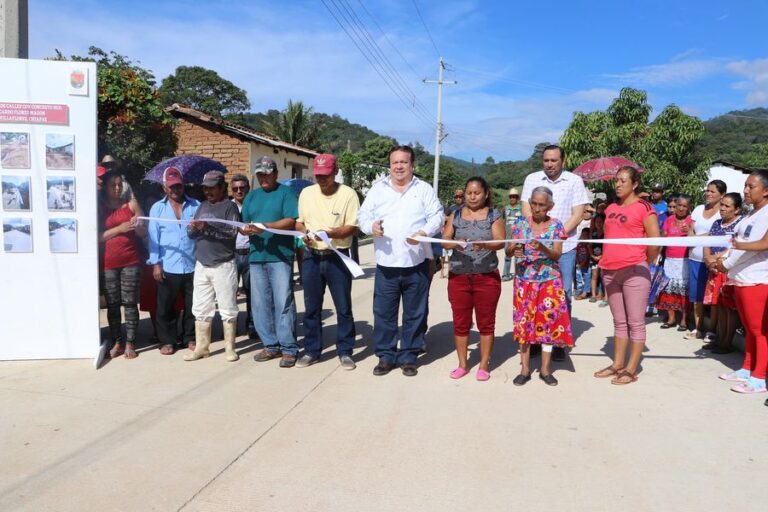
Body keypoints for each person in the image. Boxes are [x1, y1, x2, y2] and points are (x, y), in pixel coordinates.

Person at [358, 145, 444, 377]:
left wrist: (424, 232)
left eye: (403, 162)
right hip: (386, 264)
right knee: (384, 313)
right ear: (390, 165)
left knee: (414, 313)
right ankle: (386, 356)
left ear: (412, 165)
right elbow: (363, 216)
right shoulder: (378, 190)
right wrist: (370, 226)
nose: (398, 166)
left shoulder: (423, 189)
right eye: (395, 162)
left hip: (415, 263)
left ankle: (408, 356)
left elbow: (438, 215)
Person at [521, 145, 589, 361]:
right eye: (546, 160)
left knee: (562, 295)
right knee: (533, 295)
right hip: (533, 249)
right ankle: (533, 340)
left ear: (563, 161)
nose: (549, 164)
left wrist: (555, 234)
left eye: (554, 160)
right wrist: (536, 234)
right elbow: (525, 208)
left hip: (564, 245)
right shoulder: (532, 178)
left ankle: (558, 340)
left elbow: (578, 213)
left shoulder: (574, 181)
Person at [593, 167, 660, 385]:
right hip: (610, 270)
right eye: (616, 181)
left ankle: (631, 369)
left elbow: (654, 242)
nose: (618, 184)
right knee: (619, 321)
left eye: (623, 181)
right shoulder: (611, 208)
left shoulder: (644, 208)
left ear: (635, 184)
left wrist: (643, 262)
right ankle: (617, 364)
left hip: (634, 271)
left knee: (636, 322)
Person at [294, 154, 360, 370]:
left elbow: (353, 226)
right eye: (318, 176)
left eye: (326, 175)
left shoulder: (348, 195)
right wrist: (303, 234)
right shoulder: (306, 193)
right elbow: (300, 223)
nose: (322, 180)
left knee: (343, 307)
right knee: (312, 308)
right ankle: (312, 351)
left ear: (335, 171)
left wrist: (329, 233)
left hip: (338, 256)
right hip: (312, 256)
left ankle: (345, 351)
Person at [442, 177, 505, 381]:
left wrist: (485, 245)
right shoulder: (456, 215)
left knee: (486, 323)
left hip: (486, 277)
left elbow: (500, 242)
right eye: (469, 192)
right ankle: (463, 364)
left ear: (486, 194)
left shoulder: (494, 215)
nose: (472, 196)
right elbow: (444, 241)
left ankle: (484, 364)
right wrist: (455, 243)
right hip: (459, 276)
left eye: (477, 192)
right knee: (460, 322)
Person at [509, 186, 573, 386]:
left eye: (541, 205)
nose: (537, 208)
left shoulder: (556, 226)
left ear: (550, 206)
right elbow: (509, 250)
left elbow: (557, 255)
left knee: (548, 323)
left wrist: (543, 247)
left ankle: (545, 370)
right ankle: (525, 369)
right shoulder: (520, 224)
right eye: (534, 204)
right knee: (524, 323)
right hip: (524, 281)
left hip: (549, 282)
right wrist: (515, 250)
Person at [240, 156, 300, 368]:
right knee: (260, 304)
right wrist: (244, 228)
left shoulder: (286, 193)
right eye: (260, 174)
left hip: (280, 256)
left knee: (283, 302)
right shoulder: (251, 197)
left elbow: (291, 220)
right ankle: (270, 345)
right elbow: (243, 223)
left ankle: (289, 348)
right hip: (256, 257)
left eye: (267, 173)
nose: (264, 177)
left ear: (275, 174)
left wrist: (266, 225)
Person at [714, 170, 768, 394]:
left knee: (759, 331)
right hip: (741, 278)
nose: (745, 190)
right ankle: (747, 368)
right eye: (745, 185)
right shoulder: (750, 215)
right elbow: (736, 242)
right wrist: (720, 259)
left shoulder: (766, 214)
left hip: (757, 279)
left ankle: (759, 377)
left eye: (751, 187)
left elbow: (754, 245)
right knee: (747, 327)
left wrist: (725, 263)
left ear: (765, 191)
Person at [184, 171, 241, 362]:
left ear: (222, 187)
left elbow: (231, 234)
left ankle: (229, 348)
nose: (208, 191)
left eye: (212, 187)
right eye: (205, 188)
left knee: (227, 307)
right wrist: (193, 228)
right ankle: (202, 347)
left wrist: (206, 228)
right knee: (200, 307)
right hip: (202, 264)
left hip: (223, 265)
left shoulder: (230, 207)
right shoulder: (201, 207)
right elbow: (191, 234)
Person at [147, 167, 200, 355]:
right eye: (171, 187)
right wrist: (156, 264)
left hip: (192, 264)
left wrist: (199, 227)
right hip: (168, 265)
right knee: (165, 307)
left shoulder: (196, 206)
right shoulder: (157, 209)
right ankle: (167, 341)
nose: (175, 190)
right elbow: (153, 239)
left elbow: (203, 234)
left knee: (192, 305)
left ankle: (189, 337)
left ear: (183, 185)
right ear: (164, 187)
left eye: (177, 186)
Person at [99, 171, 146, 359]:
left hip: (130, 261)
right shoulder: (100, 208)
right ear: (106, 187)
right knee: (112, 304)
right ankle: (117, 341)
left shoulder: (132, 205)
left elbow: (143, 233)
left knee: (130, 303)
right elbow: (96, 237)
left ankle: (130, 343)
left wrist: (139, 224)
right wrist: (120, 228)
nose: (117, 188)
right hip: (108, 263)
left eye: (120, 184)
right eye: (113, 185)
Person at [703, 193, 743, 354]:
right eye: (722, 205)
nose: (723, 209)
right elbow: (707, 243)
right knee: (719, 305)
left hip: (730, 270)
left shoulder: (740, 224)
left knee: (729, 308)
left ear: (737, 209)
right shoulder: (716, 223)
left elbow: (735, 246)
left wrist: (717, 258)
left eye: (727, 206)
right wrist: (709, 261)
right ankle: (720, 339)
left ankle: (727, 342)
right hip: (714, 270)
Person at [686, 180, 726, 340]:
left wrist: (696, 238)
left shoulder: (721, 213)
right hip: (694, 258)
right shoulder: (698, 209)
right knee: (696, 296)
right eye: (707, 191)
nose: (708, 194)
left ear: (722, 195)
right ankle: (698, 327)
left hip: (711, 262)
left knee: (713, 296)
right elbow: (690, 230)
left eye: (712, 192)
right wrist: (694, 238)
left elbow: (714, 235)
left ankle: (712, 330)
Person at [657, 194, 693, 330]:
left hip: (684, 261)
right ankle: (671, 318)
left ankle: (684, 320)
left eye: (685, 206)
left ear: (689, 208)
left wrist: (689, 231)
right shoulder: (669, 220)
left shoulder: (691, 221)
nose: (681, 208)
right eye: (679, 205)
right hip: (669, 260)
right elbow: (662, 238)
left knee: (683, 291)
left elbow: (695, 238)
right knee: (668, 289)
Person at [229, 173, 257, 339]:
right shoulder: (227, 207)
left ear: (248, 188)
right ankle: (230, 327)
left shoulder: (255, 205)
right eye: (235, 189)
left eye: (242, 188)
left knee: (252, 294)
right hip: (231, 255)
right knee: (229, 294)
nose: (239, 191)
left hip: (250, 254)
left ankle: (252, 326)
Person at [501, 187, 522, 281]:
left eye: (514, 197)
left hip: (518, 236)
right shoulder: (505, 209)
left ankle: (518, 275)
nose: (512, 198)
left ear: (517, 198)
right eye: (511, 197)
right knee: (507, 256)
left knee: (518, 256)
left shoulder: (521, 208)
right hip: (508, 236)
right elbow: (503, 222)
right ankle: (505, 275)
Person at [588, 213, 606, 305]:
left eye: (600, 222)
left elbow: (607, 246)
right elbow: (590, 246)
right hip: (594, 258)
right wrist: (592, 256)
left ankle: (606, 296)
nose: (598, 223)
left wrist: (602, 256)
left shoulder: (606, 234)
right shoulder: (593, 234)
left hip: (604, 258)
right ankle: (594, 295)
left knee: (604, 277)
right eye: (596, 222)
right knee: (594, 276)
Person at [574, 227, 592, 300]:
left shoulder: (588, 245)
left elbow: (588, 255)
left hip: (587, 265)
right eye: (583, 235)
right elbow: (577, 254)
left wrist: (583, 263)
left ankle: (585, 292)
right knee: (579, 278)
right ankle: (580, 290)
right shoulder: (579, 245)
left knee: (587, 278)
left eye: (586, 235)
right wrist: (578, 262)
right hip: (580, 264)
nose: (584, 237)